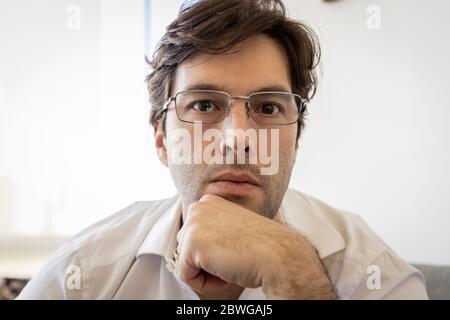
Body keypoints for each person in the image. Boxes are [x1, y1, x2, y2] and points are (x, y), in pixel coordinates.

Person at [17, 0, 428, 299]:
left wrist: (297, 279)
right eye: (203, 105)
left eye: (268, 107)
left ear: (296, 139)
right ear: (161, 139)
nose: (237, 139)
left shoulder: (370, 269)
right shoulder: (83, 277)